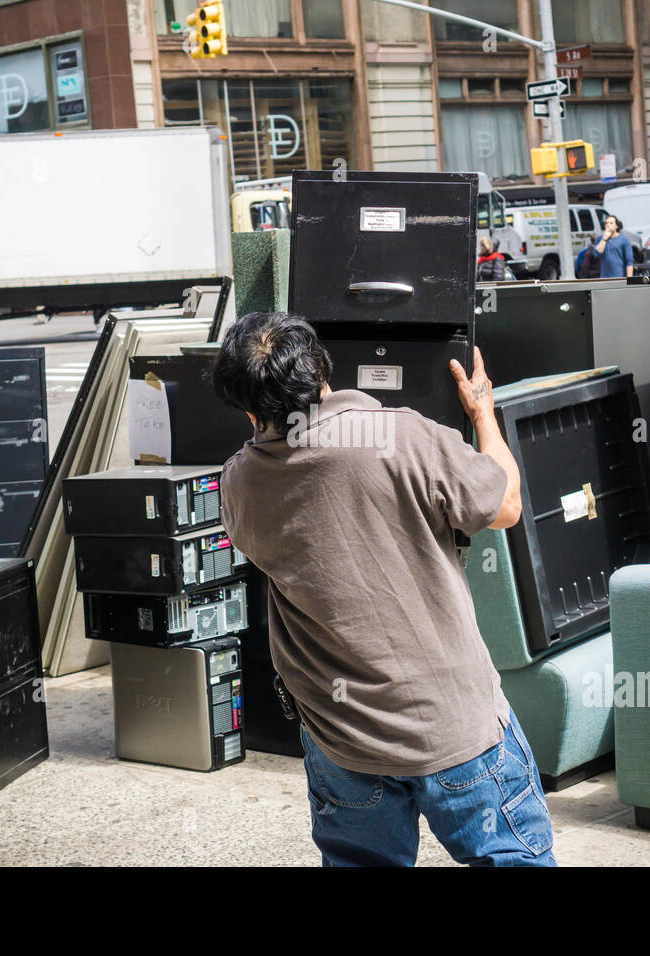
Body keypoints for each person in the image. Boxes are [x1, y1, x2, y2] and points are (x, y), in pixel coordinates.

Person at [213, 311, 555, 867]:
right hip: (454, 730)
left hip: (342, 742)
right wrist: (483, 415)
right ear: (324, 369)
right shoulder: (405, 436)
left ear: (250, 411)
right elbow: (506, 505)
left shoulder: (239, 484)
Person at [594, 214, 633, 278]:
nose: (608, 225)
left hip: (619, 277)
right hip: (604, 278)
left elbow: (629, 261)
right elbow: (596, 254)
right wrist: (604, 239)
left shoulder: (624, 239)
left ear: (616, 226)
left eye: (611, 223)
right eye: (606, 223)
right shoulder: (600, 239)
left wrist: (629, 279)